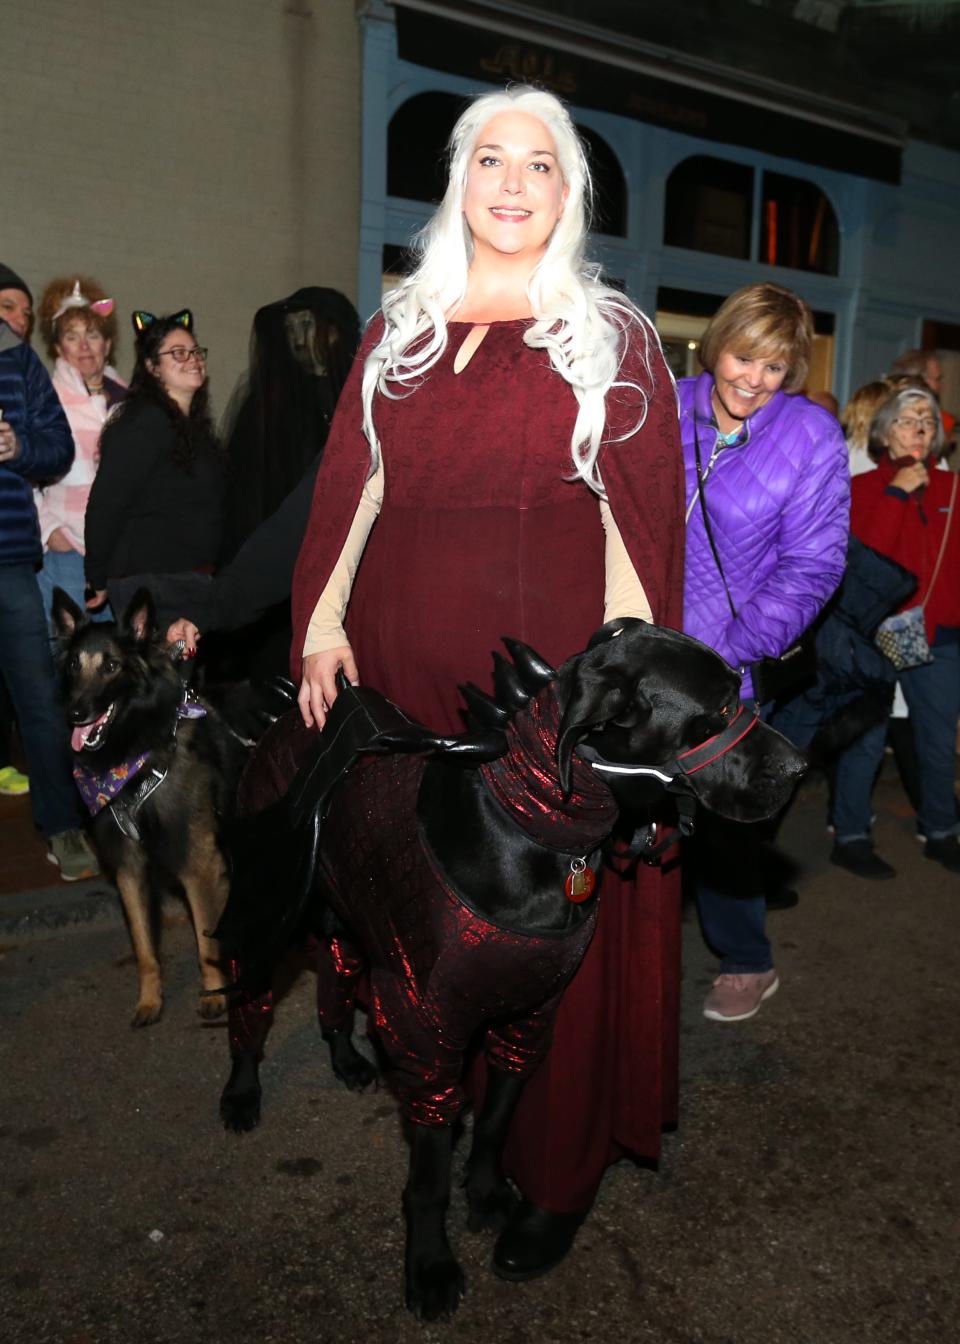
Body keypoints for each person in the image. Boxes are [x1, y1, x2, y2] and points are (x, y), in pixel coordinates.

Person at [290, 86, 685, 1278]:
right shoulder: (396, 328)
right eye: (489, 160)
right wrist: (318, 629)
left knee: (547, 935)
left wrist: (611, 710)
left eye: (542, 165)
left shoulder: (609, 337)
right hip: (407, 689)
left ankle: (553, 1170)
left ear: (571, 195)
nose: (512, 184)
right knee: (426, 922)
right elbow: (347, 493)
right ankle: (445, 1114)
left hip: (539, 701)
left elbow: (638, 534)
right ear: (457, 181)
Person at [679, 282, 849, 1023]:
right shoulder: (662, 406)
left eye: (774, 368)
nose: (753, 378)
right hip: (640, 656)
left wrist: (733, 652)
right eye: (744, 357)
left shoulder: (808, 436)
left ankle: (746, 958)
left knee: (724, 825)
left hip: (729, 664)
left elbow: (812, 565)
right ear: (718, 345)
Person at [0, 261, 99, 879]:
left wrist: (18, 448)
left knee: (39, 697)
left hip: (9, 556)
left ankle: (64, 827)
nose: (13, 319)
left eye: (18, 309)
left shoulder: (18, 363)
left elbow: (57, 447)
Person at [847, 385, 960, 873]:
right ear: (885, 431)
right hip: (879, 633)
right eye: (909, 421)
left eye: (928, 423)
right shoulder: (863, 488)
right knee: (867, 739)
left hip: (940, 636)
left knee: (937, 741)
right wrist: (898, 493)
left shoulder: (954, 489)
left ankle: (940, 828)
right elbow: (868, 560)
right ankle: (850, 835)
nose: (920, 430)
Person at [84, 311, 224, 620]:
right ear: (152, 367)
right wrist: (96, 577)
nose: (193, 359)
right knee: (161, 668)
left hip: (190, 580)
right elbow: (106, 504)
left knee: (180, 669)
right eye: (178, 353)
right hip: (152, 585)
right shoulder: (141, 423)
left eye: (196, 351)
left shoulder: (196, 431)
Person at [221, 287, 360, 559]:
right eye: (290, 328)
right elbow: (252, 486)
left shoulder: (358, 395)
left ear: (333, 332)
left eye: (306, 324)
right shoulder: (271, 400)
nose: (296, 337)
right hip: (285, 545)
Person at [33, 277, 126, 619]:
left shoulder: (129, 400)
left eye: (93, 335)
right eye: (72, 337)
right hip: (67, 549)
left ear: (108, 343)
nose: (84, 346)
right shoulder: (44, 400)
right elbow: (18, 473)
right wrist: (49, 530)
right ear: (59, 348)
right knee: (65, 657)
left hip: (119, 553)